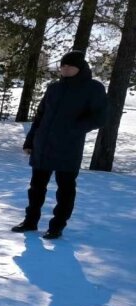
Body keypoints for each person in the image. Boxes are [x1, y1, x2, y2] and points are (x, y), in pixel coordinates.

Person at [13, 50, 107, 240]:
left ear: (79, 68)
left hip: (68, 147)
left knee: (65, 189)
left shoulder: (93, 88)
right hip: (43, 145)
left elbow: (100, 117)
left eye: (69, 66)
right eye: (62, 66)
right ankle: (30, 221)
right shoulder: (54, 88)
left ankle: (57, 226)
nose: (64, 69)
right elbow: (40, 116)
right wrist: (30, 140)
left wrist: (72, 128)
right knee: (36, 187)